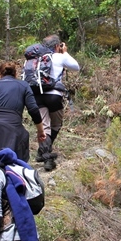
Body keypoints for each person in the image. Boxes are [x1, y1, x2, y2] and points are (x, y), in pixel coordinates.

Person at [0, 61, 46, 163]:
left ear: (0, 74)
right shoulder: (23, 85)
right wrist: (40, 131)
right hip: (12, 128)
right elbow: (33, 110)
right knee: (21, 141)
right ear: (15, 74)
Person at [33, 34, 80, 172]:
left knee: (44, 128)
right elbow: (76, 67)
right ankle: (47, 159)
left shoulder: (36, 58)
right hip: (53, 96)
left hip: (37, 96)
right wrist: (65, 52)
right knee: (56, 124)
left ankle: (43, 151)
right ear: (56, 46)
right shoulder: (59, 56)